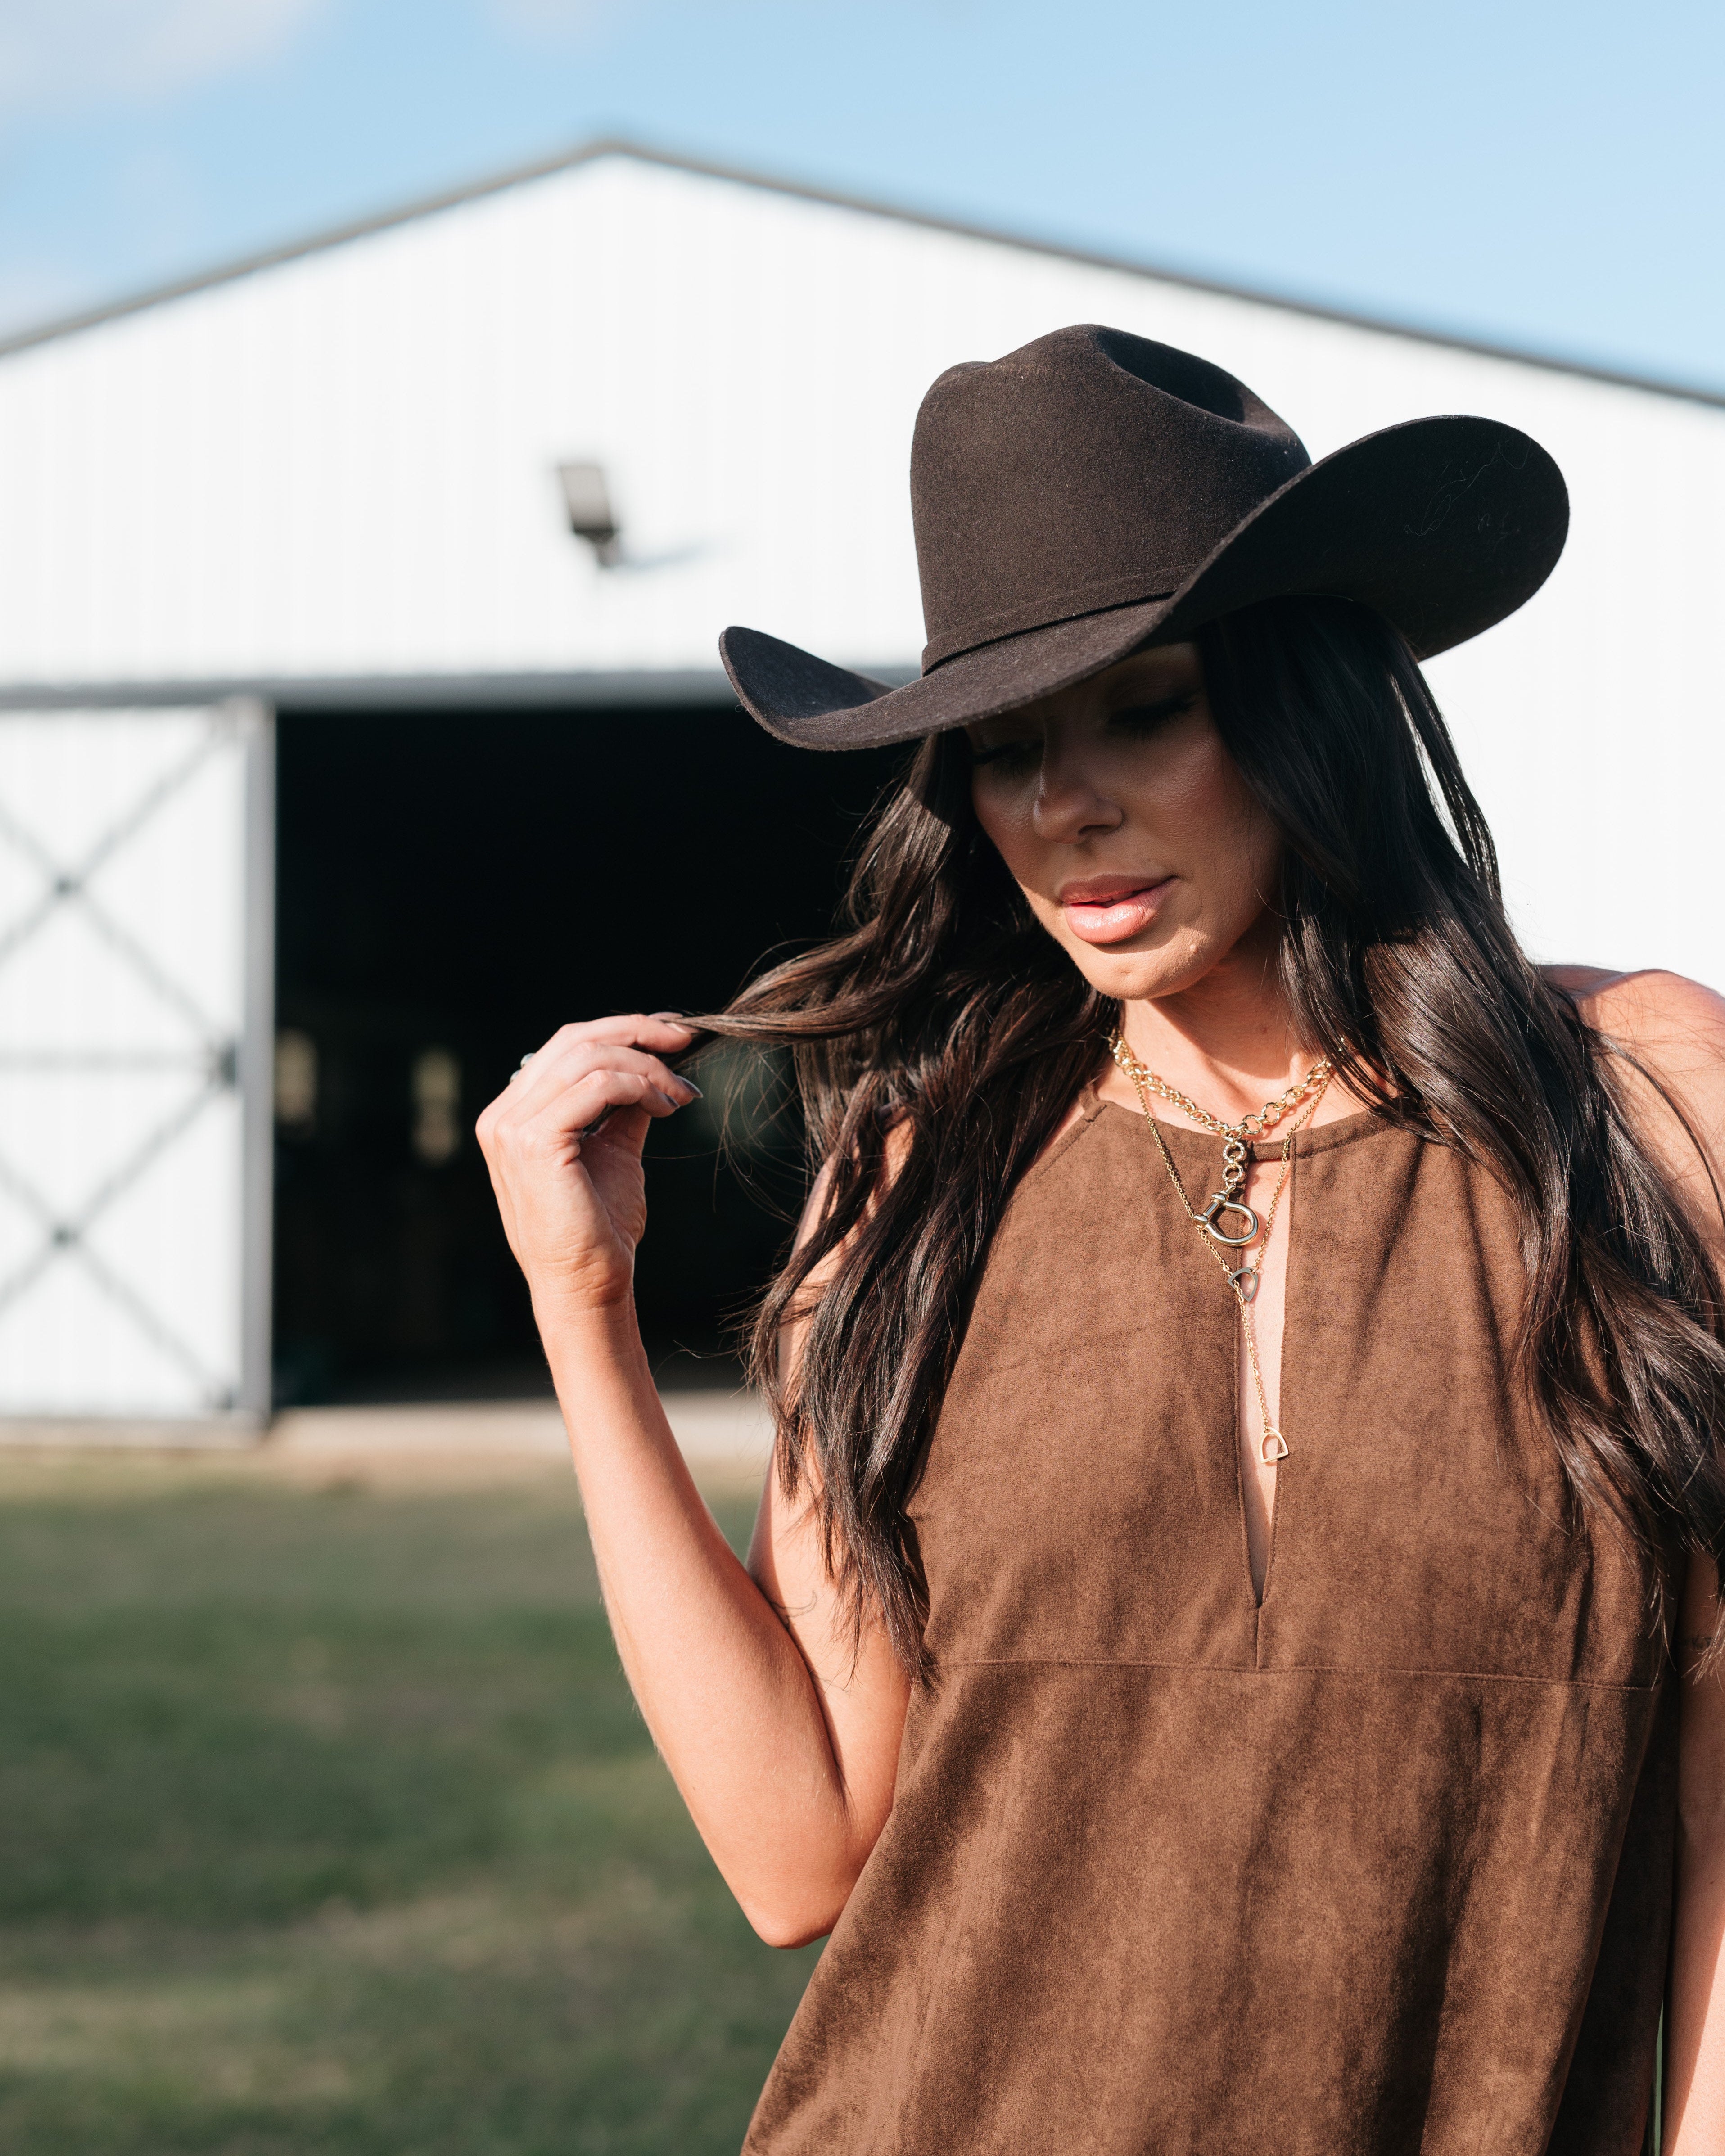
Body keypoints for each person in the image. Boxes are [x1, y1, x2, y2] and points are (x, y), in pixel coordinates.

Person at [477, 326, 1725, 2154]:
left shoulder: (1646, 1111)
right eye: (1002, 748)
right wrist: (578, 1306)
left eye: (1144, 706)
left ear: (1308, 706)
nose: (1060, 804)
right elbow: (793, 1850)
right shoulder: (923, 1176)